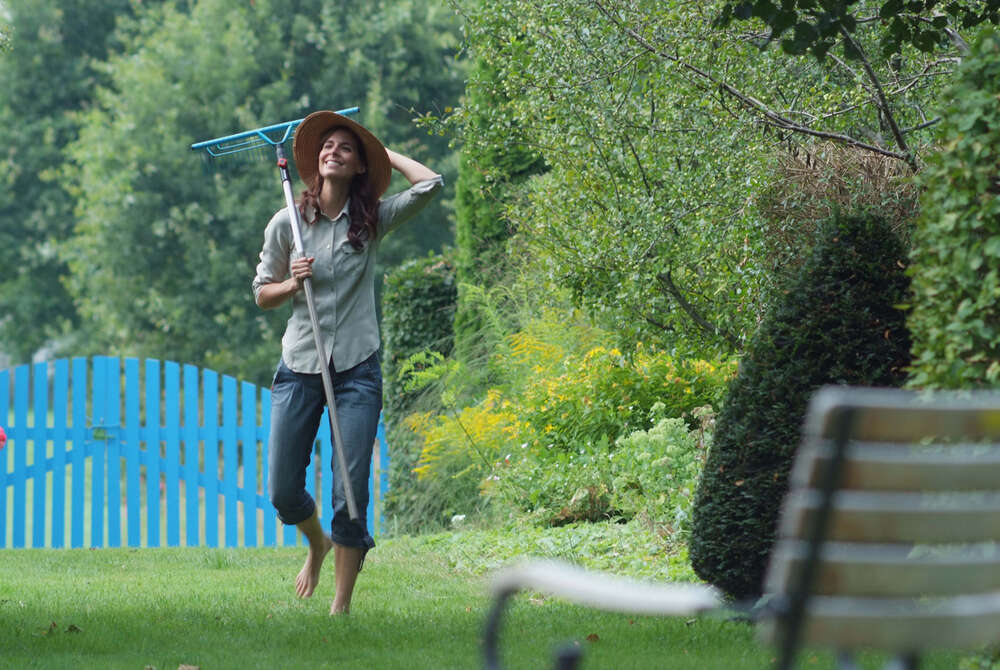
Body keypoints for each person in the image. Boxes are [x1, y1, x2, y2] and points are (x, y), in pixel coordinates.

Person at [252, 110, 442, 614]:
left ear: (359, 166)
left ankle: (340, 610)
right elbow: (261, 294)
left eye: (346, 149)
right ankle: (317, 543)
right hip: (300, 366)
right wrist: (292, 282)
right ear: (315, 162)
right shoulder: (287, 221)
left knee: (350, 493)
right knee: (283, 489)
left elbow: (430, 186)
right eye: (327, 147)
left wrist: (382, 154)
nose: (333, 152)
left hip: (357, 368)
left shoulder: (371, 220)